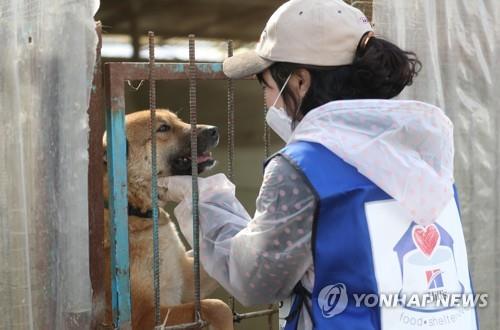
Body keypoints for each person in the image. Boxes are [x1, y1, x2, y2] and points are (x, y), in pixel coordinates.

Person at [161, 0, 479, 329]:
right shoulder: (419, 146)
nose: (266, 100)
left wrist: (204, 198)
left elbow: (254, 279)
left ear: (300, 81)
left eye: (267, 85)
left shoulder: (302, 168)